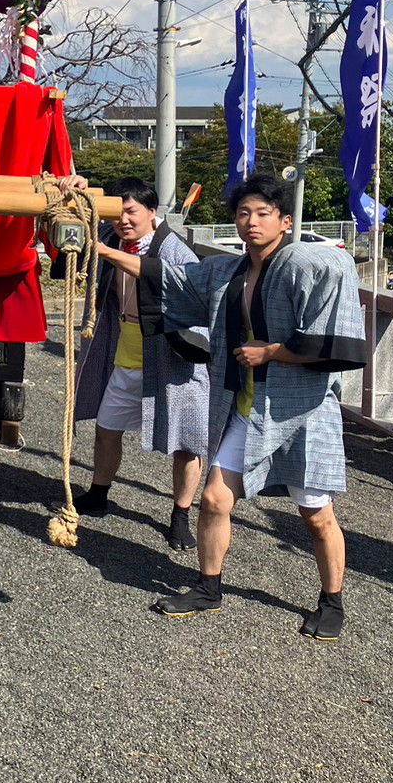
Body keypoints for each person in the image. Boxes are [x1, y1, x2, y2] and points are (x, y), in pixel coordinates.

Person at [97, 173, 367, 640]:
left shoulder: (306, 265)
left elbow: (333, 342)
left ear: (285, 221)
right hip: (248, 404)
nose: (252, 221)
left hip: (301, 411)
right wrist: (100, 250)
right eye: (244, 213)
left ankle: (332, 602)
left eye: (263, 213)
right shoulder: (227, 271)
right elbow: (169, 276)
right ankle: (208, 587)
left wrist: (272, 351)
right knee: (216, 498)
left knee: (317, 514)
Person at [68, 177, 209, 550]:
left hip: (170, 356)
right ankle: (99, 492)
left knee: (186, 441)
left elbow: (182, 289)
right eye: (118, 213)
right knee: (106, 427)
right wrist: (78, 187)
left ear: (152, 212)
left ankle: (181, 514)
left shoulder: (176, 251)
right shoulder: (110, 237)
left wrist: (103, 250)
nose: (123, 220)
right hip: (124, 350)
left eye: (131, 212)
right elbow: (73, 219)